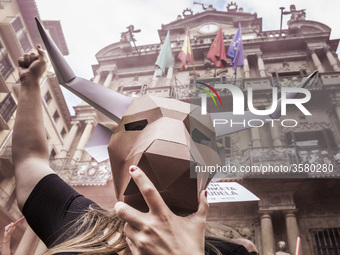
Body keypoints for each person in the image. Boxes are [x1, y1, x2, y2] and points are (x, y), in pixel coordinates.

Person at [13, 46, 249, 255]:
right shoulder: (82, 223)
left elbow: (29, 161)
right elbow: (29, 160)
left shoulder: (233, 252)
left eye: (196, 136)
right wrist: (29, 83)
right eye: (138, 126)